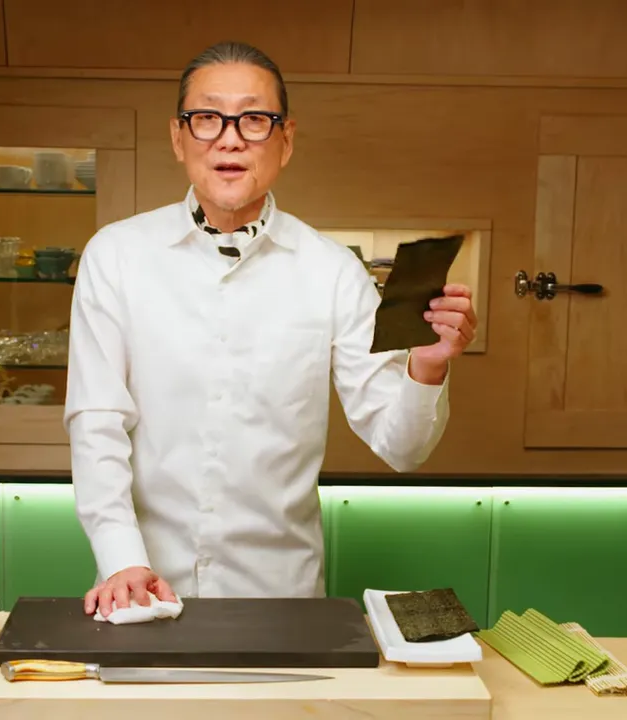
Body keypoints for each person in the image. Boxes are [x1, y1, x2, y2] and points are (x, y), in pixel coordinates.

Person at [64, 41, 477, 619]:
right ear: (178, 138)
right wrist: (120, 560)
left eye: (254, 120)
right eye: (207, 118)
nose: (229, 138)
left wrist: (428, 365)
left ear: (285, 141)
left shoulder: (332, 270)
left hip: (282, 599)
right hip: (142, 591)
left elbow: (401, 446)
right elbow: (97, 422)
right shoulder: (117, 256)